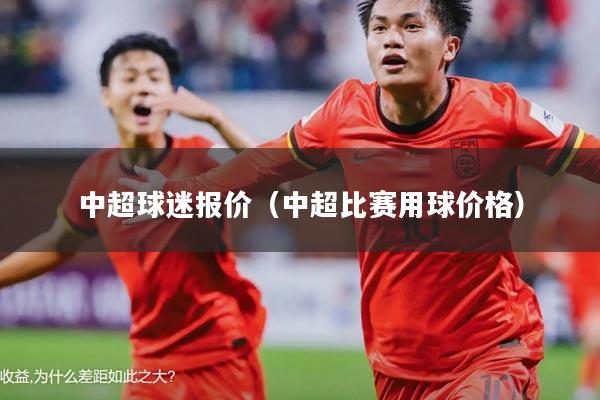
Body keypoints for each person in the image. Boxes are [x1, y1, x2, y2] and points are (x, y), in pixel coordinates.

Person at [120, 1, 600, 399]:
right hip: (397, 369)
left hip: (491, 352)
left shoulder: (498, 113)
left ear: (450, 47)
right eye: (379, 28)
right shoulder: (344, 113)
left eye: (411, 26)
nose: (392, 39)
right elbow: (262, 166)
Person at [0, 33, 266, 400]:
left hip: (219, 358)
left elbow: (278, 181)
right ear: (106, 96)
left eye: (155, 78)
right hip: (150, 364)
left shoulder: (204, 154)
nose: (143, 87)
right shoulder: (95, 173)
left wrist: (216, 119)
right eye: (129, 77)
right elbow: (59, 243)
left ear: (171, 96)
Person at [531, 176, 600, 400]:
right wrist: (556, 258)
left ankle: (586, 389)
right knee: (593, 334)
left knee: (595, 333)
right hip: (581, 280)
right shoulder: (562, 200)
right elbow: (541, 241)